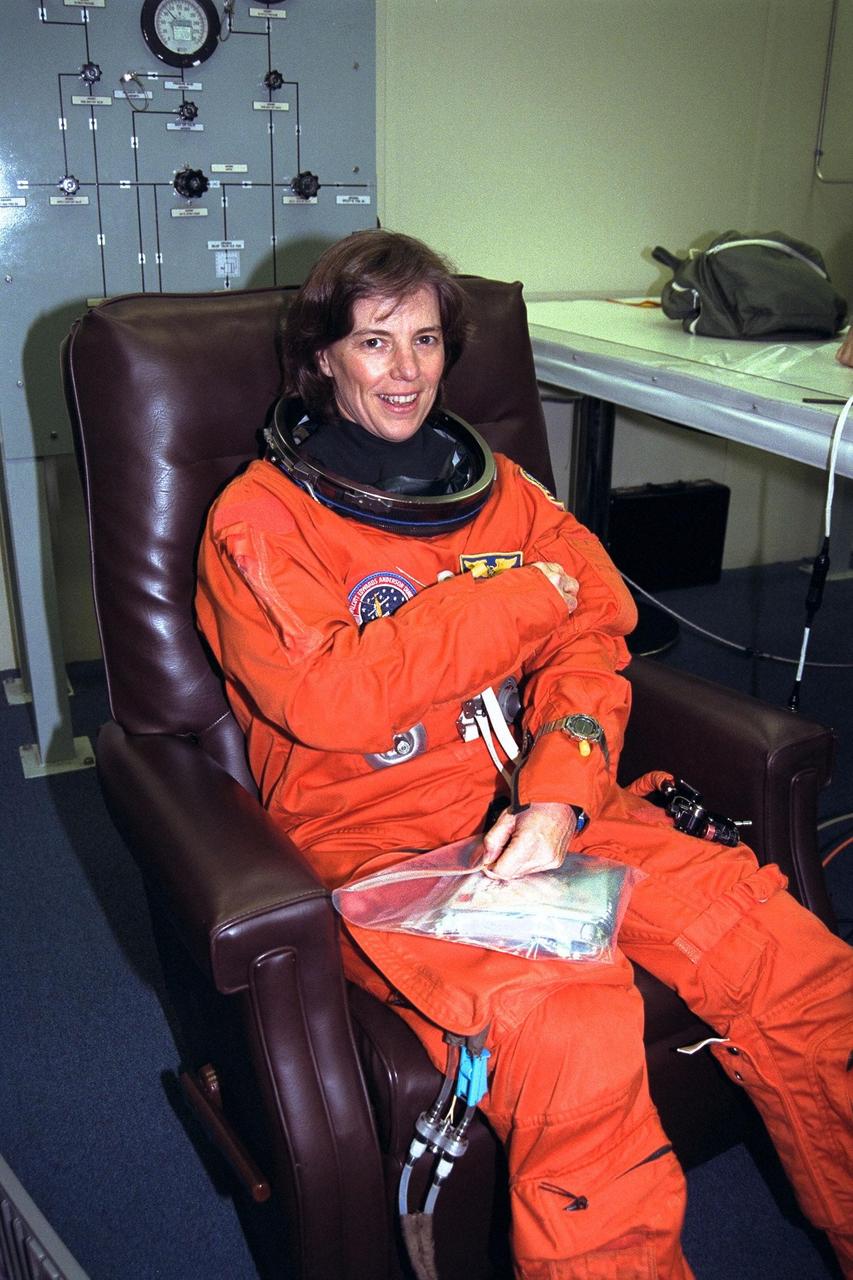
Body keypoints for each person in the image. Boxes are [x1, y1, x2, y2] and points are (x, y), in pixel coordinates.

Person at [195, 229, 853, 1279]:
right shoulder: (259, 520)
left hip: (556, 810)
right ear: (322, 356)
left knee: (795, 962)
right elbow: (332, 694)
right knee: (572, 1029)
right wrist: (516, 596)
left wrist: (556, 797)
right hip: (387, 841)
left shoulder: (499, 491)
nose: (404, 370)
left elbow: (595, 632)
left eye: (424, 340)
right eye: (373, 342)